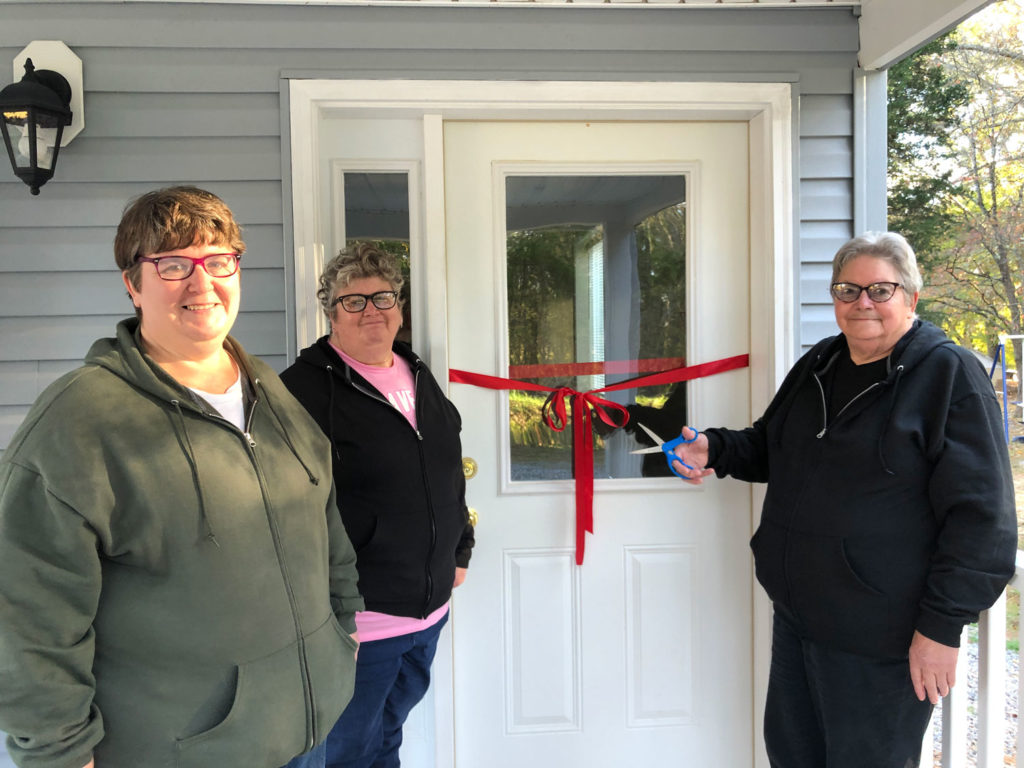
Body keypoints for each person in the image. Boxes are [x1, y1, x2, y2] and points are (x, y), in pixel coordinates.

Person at [0, 187, 363, 768]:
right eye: (172, 265)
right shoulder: (78, 422)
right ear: (131, 283)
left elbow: (325, 519)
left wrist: (342, 633)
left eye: (219, 261)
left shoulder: (267, 388)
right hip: (179, 749)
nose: (202, 284)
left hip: (304, 731)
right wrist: (57, 753)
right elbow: (26, 617)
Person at [667, 232, 1017, 768]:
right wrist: (714, 447)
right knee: (792, 757)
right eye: (848, 289)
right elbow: (771, 445)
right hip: (800, 621)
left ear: (911, 298)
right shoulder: (821, 364)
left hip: (884, 639)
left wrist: (941, 628)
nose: (863, 303)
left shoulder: (948, 374)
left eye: (881, 289)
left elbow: (983, 519)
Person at [280, 243, 475, 768]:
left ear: (400, 306)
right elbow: (280, 507)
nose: (372, 310)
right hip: (360, 623)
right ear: (331, 314)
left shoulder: (418, 374)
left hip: (428, 613)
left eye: (383, 296)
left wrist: (461, 549)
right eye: (354, 301)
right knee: (342, 753)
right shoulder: (299, 391)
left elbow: (447, 469)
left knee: (387, 737)